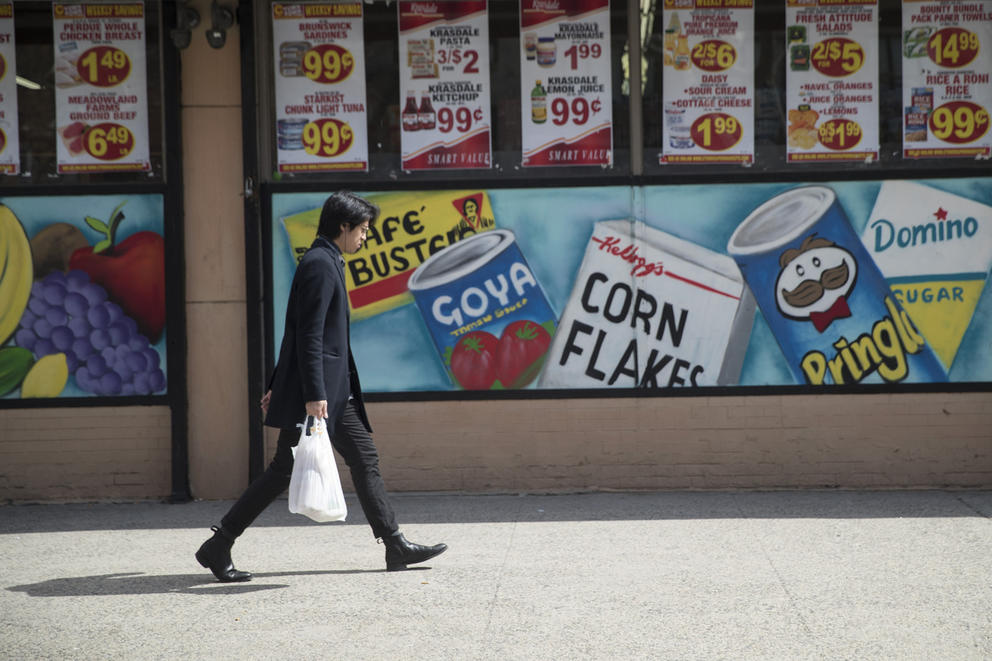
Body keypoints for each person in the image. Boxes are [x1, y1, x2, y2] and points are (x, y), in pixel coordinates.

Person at [196, 191, 447, 582]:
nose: (365, 237)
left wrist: (282, 384)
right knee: (283, 470)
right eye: (362, 230)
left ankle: (394, 543)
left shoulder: (328, 260)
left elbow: (295, 331)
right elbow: (307, 335)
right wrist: (309, 395)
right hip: (321, 396)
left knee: (365, 459)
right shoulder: (320, 264)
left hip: (333, 392)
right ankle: (219, 543)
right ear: (343, 226)